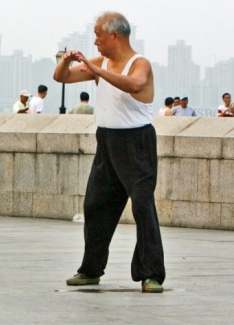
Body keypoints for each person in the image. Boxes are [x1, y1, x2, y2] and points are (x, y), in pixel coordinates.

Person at [53, 11, 165, 293]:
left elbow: (136, 84)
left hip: (136, 143)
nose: (95, 41)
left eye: (98, 35)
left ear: (115, 36)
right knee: (95, 206)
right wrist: (66, 61)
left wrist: (99, 72)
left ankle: (150, 274)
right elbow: (62, 78)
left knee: (142, 206)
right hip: (107, 142)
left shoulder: (139, 63)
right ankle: (90, 269)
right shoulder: (100, 62)